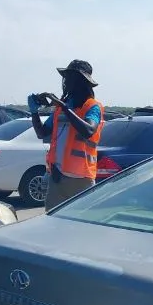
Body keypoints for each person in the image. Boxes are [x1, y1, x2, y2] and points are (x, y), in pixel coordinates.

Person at [28, 60, 104, 211]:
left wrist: (63, 106)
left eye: (70, 78)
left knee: (79, 228)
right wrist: (34, 112)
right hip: (57, 177)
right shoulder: (62, 108)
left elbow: (88, 130)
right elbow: (42, 133)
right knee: (53, 225)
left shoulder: (92, 107)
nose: (66, 82)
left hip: (81, 180)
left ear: (82, 81)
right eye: (66, 77)